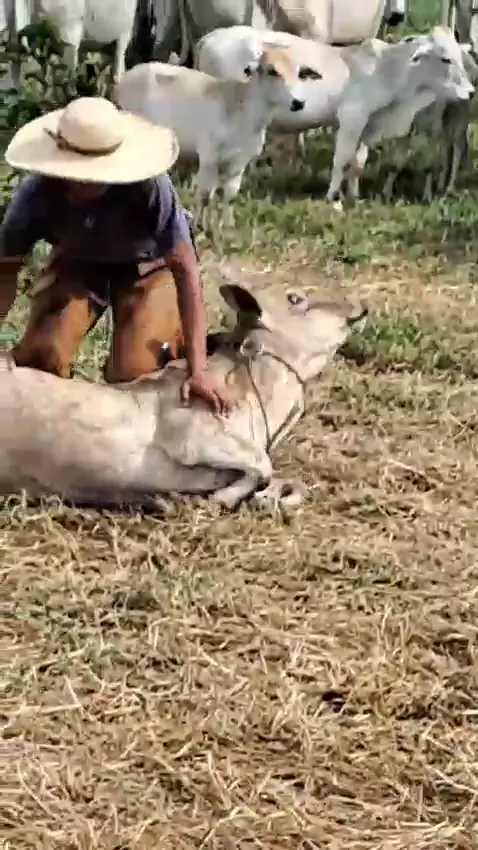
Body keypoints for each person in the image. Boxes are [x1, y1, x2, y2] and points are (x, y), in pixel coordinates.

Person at [0, 96, 232, 415]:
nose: (82, 182)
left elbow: (185, 271)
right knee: (42, 357)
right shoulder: (36, 194)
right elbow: (5, 270)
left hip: (149, 268)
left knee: (139, 373)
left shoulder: (151, 189)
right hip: (77, 263)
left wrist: (198, 369)